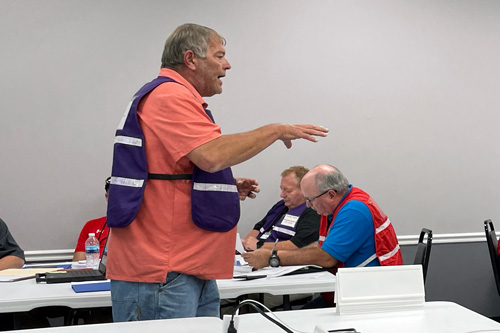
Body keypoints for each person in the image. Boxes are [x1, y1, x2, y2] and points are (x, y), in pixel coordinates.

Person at [106, 23, 328, 322]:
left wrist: (222, 186)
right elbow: (211, 156)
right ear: (191, 59)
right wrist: (275, 130)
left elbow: (171, 170)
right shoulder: (170, 96)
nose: (227, 64)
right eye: (219, 55)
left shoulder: (170, 96)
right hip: (164, 269)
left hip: (184, 266)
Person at [243, 164, 402, 308]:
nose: (307, 206)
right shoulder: (335, 206)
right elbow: (320, 247)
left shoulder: (353, 210)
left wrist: (273, 258)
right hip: (350, 290)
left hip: (367, 296)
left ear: (331, 194)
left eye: (310, 200)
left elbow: (327, 257)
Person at [242, 165, 320, 252]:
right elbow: (258, 228)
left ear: (304, 190)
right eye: (281, 189)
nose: (282, 195)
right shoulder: (281, 205)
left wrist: (259, 245)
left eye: (288, 191)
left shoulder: (313, 212)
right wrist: (246, 244)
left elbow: (299, 245)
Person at [72, 177, 110, 261]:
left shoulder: (138, 226)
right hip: (95, 271)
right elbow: (78, 261)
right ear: (107, 197)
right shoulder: (91, 225)